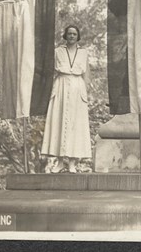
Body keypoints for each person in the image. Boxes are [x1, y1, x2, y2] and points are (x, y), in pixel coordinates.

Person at [41, 25, 92, 173]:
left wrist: (84, 93)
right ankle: (60, 162)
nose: (71, 36)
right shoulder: (57, 51)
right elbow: (50, 72)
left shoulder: (84, 53)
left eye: (74, 34)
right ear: (65, 36)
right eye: (69, 34)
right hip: (61, 86)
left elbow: (87, 75)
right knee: (59, 122)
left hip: (77, 87)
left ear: (78, 36)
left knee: (76, 125)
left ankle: (72, 163)